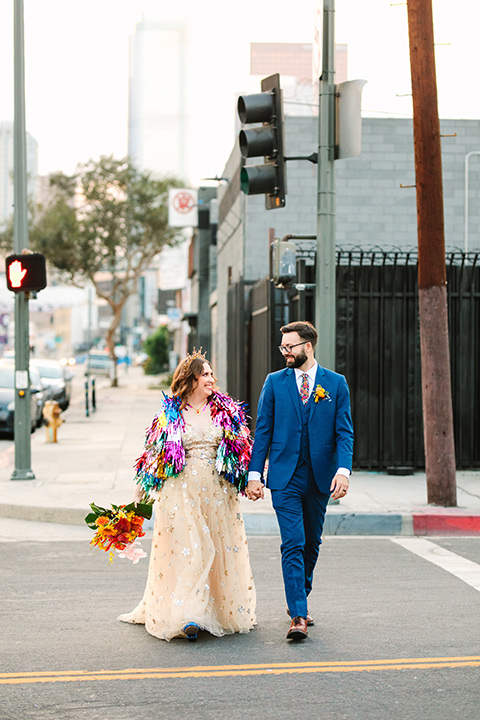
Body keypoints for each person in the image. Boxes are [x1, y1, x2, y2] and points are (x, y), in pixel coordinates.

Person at [118, 351, 256, 642]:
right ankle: (189, 615)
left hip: (218, 495)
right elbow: (150, 460)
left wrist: (253, 479)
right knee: (193, 551)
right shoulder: (170, 415)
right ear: (191, 379)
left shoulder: (226, 410)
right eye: (206, 374)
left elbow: (244, 450)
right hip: (180, 493)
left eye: (211, 374)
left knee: (215, 551)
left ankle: (211, 611)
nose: (212, 379)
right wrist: (133, 507)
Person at [246, 321, 353, 641]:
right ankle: (298, 614)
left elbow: (344, 432)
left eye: (289, 347)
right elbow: (262, 429)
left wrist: (343, 471)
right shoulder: (275, 382)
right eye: (282, 347)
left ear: (308, 347)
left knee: (311, 543)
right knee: (292, 542)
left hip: (320, 476)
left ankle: (299, 594)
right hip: (284, 476)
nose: (285, 353)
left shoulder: (335, 384)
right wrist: (255, 475)